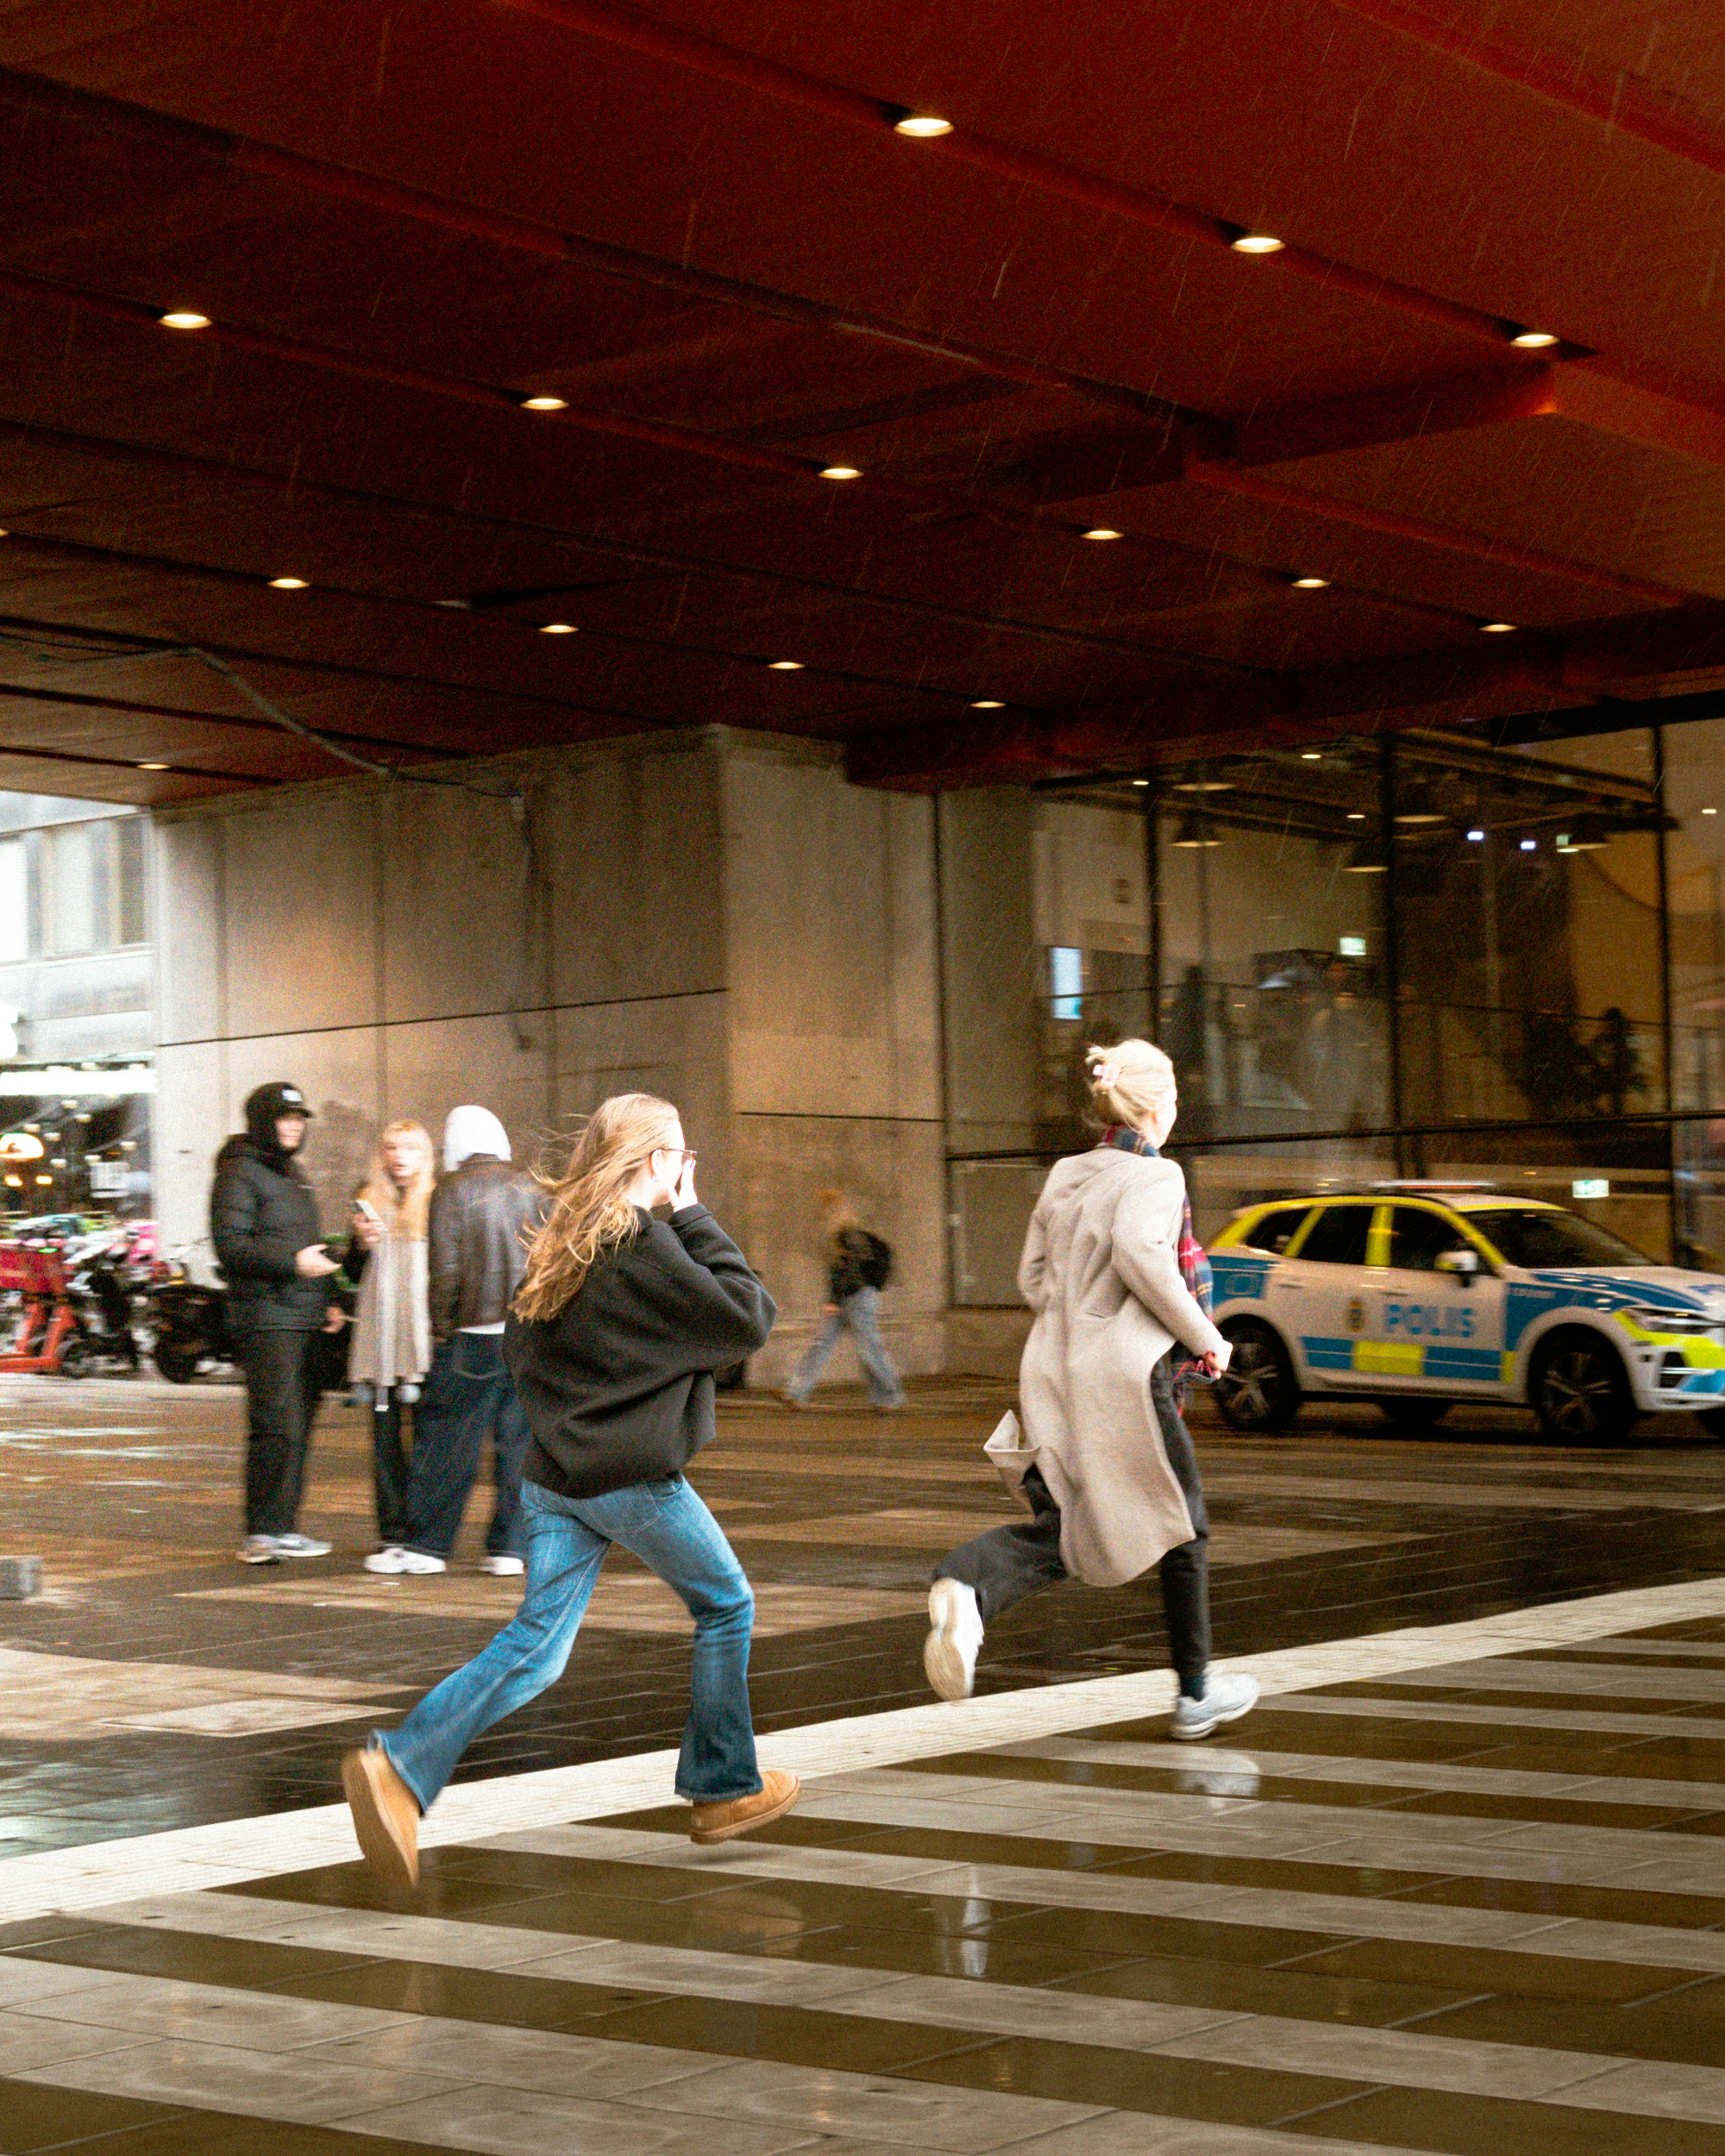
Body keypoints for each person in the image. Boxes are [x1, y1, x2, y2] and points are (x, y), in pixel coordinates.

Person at [342, 1091, 796, 1887]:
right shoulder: (643, 1240)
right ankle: (724, 1788)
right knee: (727, 1605)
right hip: (624, 1477)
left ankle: (402, 1768)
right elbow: (748, 1318)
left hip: (556, 1479)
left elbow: (522, 1350)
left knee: (538, 1650)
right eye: (682, 1155)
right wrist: (693, 1216)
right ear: (657, 1161)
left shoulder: (565, 1237)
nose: (688, 1168)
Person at [924, 1038, 1258, 1742]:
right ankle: (1196, 1695)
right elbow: (1144, 1258)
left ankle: (969, 1583)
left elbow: (1031, 1278)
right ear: (1154, 1105)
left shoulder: (1068, 1173)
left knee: (1079, 1521)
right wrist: (1206, 1338)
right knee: (1184, 1524)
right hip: (1125, 1379)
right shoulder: (1157, 1178)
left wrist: (1082, 1306)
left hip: (1055, 1366)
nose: (1175, 1109)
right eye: (1171, 1097)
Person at [366, 1106, 542, 1576]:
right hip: (527, 1334)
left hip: (472, 1335)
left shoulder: (453, 1189)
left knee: (446, 1441)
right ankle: (509, 1549)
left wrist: (442, 1329)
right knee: (518, 1445)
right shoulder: (534, 1188)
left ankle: (428, 1546)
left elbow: (445, 1270)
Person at [210, 1081, 342, 1565]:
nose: (294, 1126)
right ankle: (260, 1533)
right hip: (266, 1316)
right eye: (284, 1118)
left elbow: (306, 1243)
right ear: (262, 1121)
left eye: (299, 1118)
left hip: (304, 1314)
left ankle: (283, 1526)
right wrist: (292, 1264)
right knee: (276, 1424)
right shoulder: (238, 1173)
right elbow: (231, 1245)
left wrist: (327, 1297)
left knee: (299, 1425)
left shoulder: (292, 1174)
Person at [346, 1119, 436, 1553]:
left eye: (410, 1148)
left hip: (421, 1334)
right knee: (383, 1436)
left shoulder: (437, 1201)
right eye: (391, 1147)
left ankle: (422, 1528)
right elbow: (349, 1270)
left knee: (428, 1436)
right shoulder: (366, 1200)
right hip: (379, 1335)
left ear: (425, 1155)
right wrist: (361, 1243)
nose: (399, 1156)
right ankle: (392, 1530)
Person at [781, 1189, 906, 1411]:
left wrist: (834, 1300)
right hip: (846, 1298)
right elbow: (839, 1271)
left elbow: (851, 1270)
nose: (821, 1215)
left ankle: (891, 1396)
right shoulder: (842, 1236)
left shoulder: (848, 1235)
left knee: (869, 1349)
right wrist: (835, 1298)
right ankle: (796, 1393)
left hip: (858, 1298)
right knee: (824, 1345)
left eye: (826, 1210)